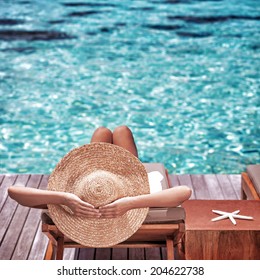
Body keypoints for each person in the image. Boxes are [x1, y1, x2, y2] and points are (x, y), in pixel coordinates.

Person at [8, 126, 192, 218]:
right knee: (122, 131)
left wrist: (65, 198)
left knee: (103, 132)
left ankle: (101, 165)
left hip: (95, 179)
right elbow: (184, 191)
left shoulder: (77, 200)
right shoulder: (137, 196)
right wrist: (130, 203)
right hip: (126, 184)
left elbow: (14, 191)